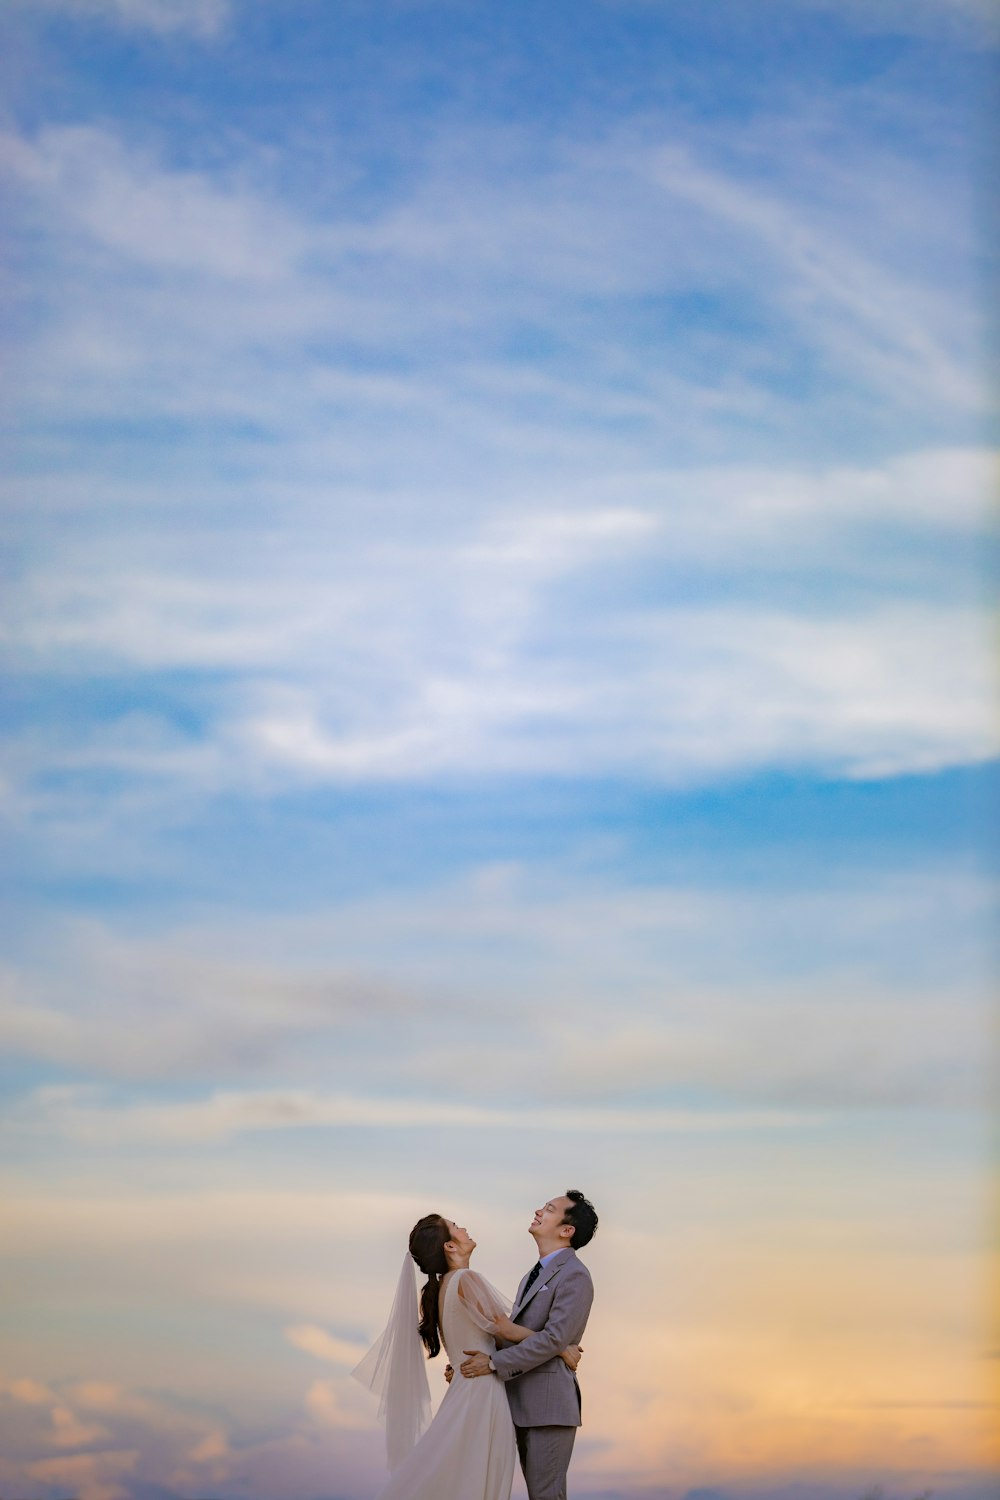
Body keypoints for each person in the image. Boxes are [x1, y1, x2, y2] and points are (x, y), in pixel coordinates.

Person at [352, 1212, 583, 1500]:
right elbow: (504, 1329)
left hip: (467, 1384)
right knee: (477, 1477)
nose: (462, 1228)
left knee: (460, 1473)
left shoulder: (444, 1286)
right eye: (455, 1227)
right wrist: (559, 1346)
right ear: (449, 1246)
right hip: (482, 1391)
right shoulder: (467, 1279)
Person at [460, 1190, 597, 1500]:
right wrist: (464, 1361)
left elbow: (554, 1338)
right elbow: (514, 1334)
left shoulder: (575, 1275)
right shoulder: (531, 1276)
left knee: (546, 1496)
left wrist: (493, 1364)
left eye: (549, 1209)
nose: (539, 1210)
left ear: (566, 1230)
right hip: (516, 1400)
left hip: (549, 1406)